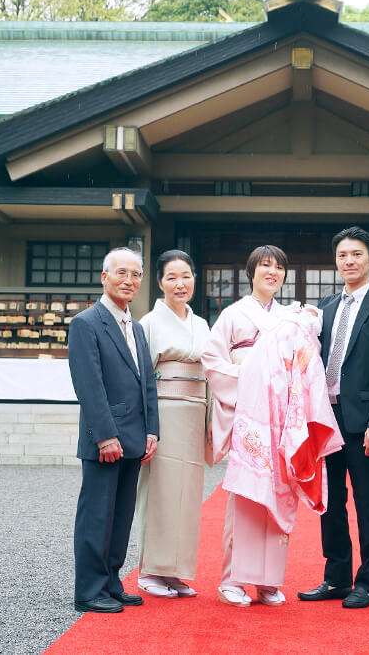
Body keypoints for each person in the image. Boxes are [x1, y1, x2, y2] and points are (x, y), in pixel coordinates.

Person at [202, 245, 343, 608]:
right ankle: (232, 579)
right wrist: (252, 379)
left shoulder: (291, 317)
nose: (272, 272)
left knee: (280, 492)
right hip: (250, 414)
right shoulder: (234, 315)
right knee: (247, 494)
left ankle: (267, 582)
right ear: (251, 272)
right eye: (265, 266)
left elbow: (305, 361)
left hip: (283, 418)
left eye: (279, 267)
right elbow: (212, 360)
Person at [298, 226, 369, 609]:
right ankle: (336, 576)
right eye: (343, 255)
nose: (349, 261)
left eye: (357, 254)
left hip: (361, 420)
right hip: (326, 415)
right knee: (331, 499)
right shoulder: (325, 307)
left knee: (366, 498)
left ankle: (368, 582)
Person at [68, 247, 159, 614]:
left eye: (135, 274)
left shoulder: (135, 326)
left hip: (136, 437)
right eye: (121, 273)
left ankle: (111, 581)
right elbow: (89, 386)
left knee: (121, 515)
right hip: (105, 439)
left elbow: (146, 383)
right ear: (104, 277)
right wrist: (105, 435)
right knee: (97, 514)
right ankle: (88, 590)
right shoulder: (86, 323)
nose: (129, 280)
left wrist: (152, 429)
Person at [134, 250, 211, 599]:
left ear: (194, 278)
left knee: (189, 493)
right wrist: (147, 426)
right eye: (172, 278)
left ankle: (178, 571)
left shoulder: (202, 324)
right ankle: (151, 569)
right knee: (161, 492)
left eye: (186, 276)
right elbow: (141, 378)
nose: (180, 284)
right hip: (164, 412)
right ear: (161, 282)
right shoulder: (150, 322)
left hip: (195, 411)